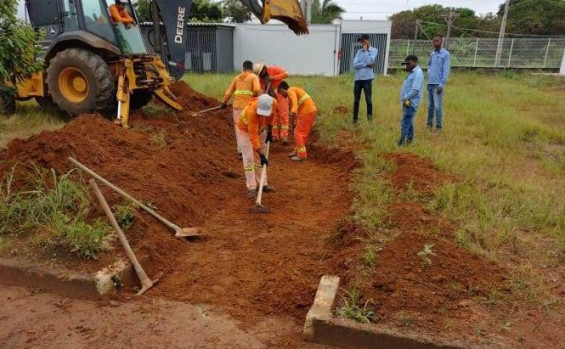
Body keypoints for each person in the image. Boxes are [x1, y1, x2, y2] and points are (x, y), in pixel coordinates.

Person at [236, 94, 277, 199]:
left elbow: (272, 117)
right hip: (245, 131)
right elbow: (253, 136)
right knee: (249, 159)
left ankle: (263, 184)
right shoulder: (251, 112)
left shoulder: (274, 103)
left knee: (258, 159)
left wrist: (270, 132)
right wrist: (262, 154)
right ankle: (251, 187)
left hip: (260, 129)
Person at [221, 60, 261, 157]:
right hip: (248, 108)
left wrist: (224, 102)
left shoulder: (237, 78)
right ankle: (251, 148)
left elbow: (229, 92)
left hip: (237, 108)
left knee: (239, 129)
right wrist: (253, 96)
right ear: (251, 69)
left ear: (243, 68)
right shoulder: (253, 77)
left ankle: (241, 151)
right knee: (251, 127)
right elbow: (256, 89)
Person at [277, 82, 317, 162]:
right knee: (303, 134)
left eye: (280, 93)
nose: (282, 96)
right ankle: (297, 151)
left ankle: (302, 155)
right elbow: (298, 104)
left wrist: (293, 111)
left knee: (297, 133)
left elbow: (295, 102)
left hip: (307, 112)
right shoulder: (295, 90)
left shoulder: (290, 91)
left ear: (282, 90)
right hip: (310, 111)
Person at [253, 62, 290, 144]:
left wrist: (273, 78)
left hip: (281, 94)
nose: (260, 76)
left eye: (260, 73)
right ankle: (274, 135)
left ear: (264, 69)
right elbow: (261, 90)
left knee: (284, 115)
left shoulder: (273, 69)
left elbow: (286, 74)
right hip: (270, 98)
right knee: (273, 116)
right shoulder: (260, 79)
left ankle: (284, 137)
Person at [427, 35, 451, 135]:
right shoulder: (432, 54)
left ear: (441, 42)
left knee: (438, 106)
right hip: (430, 83)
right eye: (434, 41)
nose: (435, 42)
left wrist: (442, 84)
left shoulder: (445, 54)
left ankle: (438, 127)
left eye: (437, 41)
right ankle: (429, 124)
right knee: (430, 106)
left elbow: (446, 70)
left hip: (438, 85)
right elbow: (429, 65)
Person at [399, 55, 424, 146]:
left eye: (408, 63)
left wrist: (405, 97)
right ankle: (409, 141)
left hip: (411, 102)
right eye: (406, 64)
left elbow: (415, 90)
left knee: (405, 122)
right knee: (408, 121)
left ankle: (401, 142)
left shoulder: (418, 73)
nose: (407, 66)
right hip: (407, 102)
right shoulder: (412, 73)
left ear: (414, 62)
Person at [353, 34, 378, 124]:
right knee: (356, 100)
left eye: (363, 41)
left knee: (368, 99)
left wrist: (366, 51)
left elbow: (370, 61)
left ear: (367, 40)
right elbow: (355, 65)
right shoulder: (358, 52)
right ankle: (354, 120)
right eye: (361, 41)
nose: (362, 42)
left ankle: (369, 120)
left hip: (367, 79)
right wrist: (365, 65)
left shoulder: (374, 50)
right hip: (358, 79)